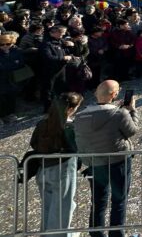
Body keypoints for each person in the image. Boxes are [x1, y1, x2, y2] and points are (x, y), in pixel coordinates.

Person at [73, 80, 139, 237]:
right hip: (118, 162)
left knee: (98, 202)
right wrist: (132, 110)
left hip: (94, 164)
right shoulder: (119, 113)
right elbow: (132, 130)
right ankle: (116, 234)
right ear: (114, 95)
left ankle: (96, 234)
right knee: (119, 200)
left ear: (96, 93)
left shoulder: (80, 116)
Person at [30, 92, 84, 237]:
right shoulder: (70, 127)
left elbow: (33, 143)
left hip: (43, 168)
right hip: (64, 169)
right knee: (62, 208)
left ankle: (47, 234)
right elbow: (77, 148)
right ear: (70, 109)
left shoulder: (43, 123)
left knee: (48, 206)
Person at [0, 31, 25, 123]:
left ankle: (11, 114)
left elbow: (20, 63)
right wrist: (13, 63)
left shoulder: (17, 51)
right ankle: (2, 116)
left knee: (12, 97)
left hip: (13, 78)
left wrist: (7, 64)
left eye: (8, 44)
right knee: (2, 98)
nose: (5, 46)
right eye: (2, 44)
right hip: (2, 79)